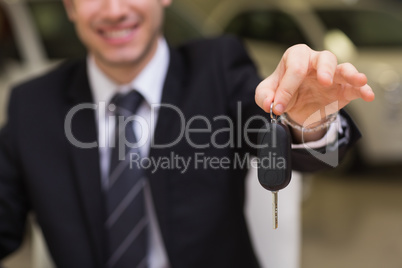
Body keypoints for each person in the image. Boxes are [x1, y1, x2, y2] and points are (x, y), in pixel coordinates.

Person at [0, 0, 374, 267]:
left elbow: (284, 143)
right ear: (70, 6)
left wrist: (308, 121)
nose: (114, 10)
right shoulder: (32, 104)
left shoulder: (218, 68)